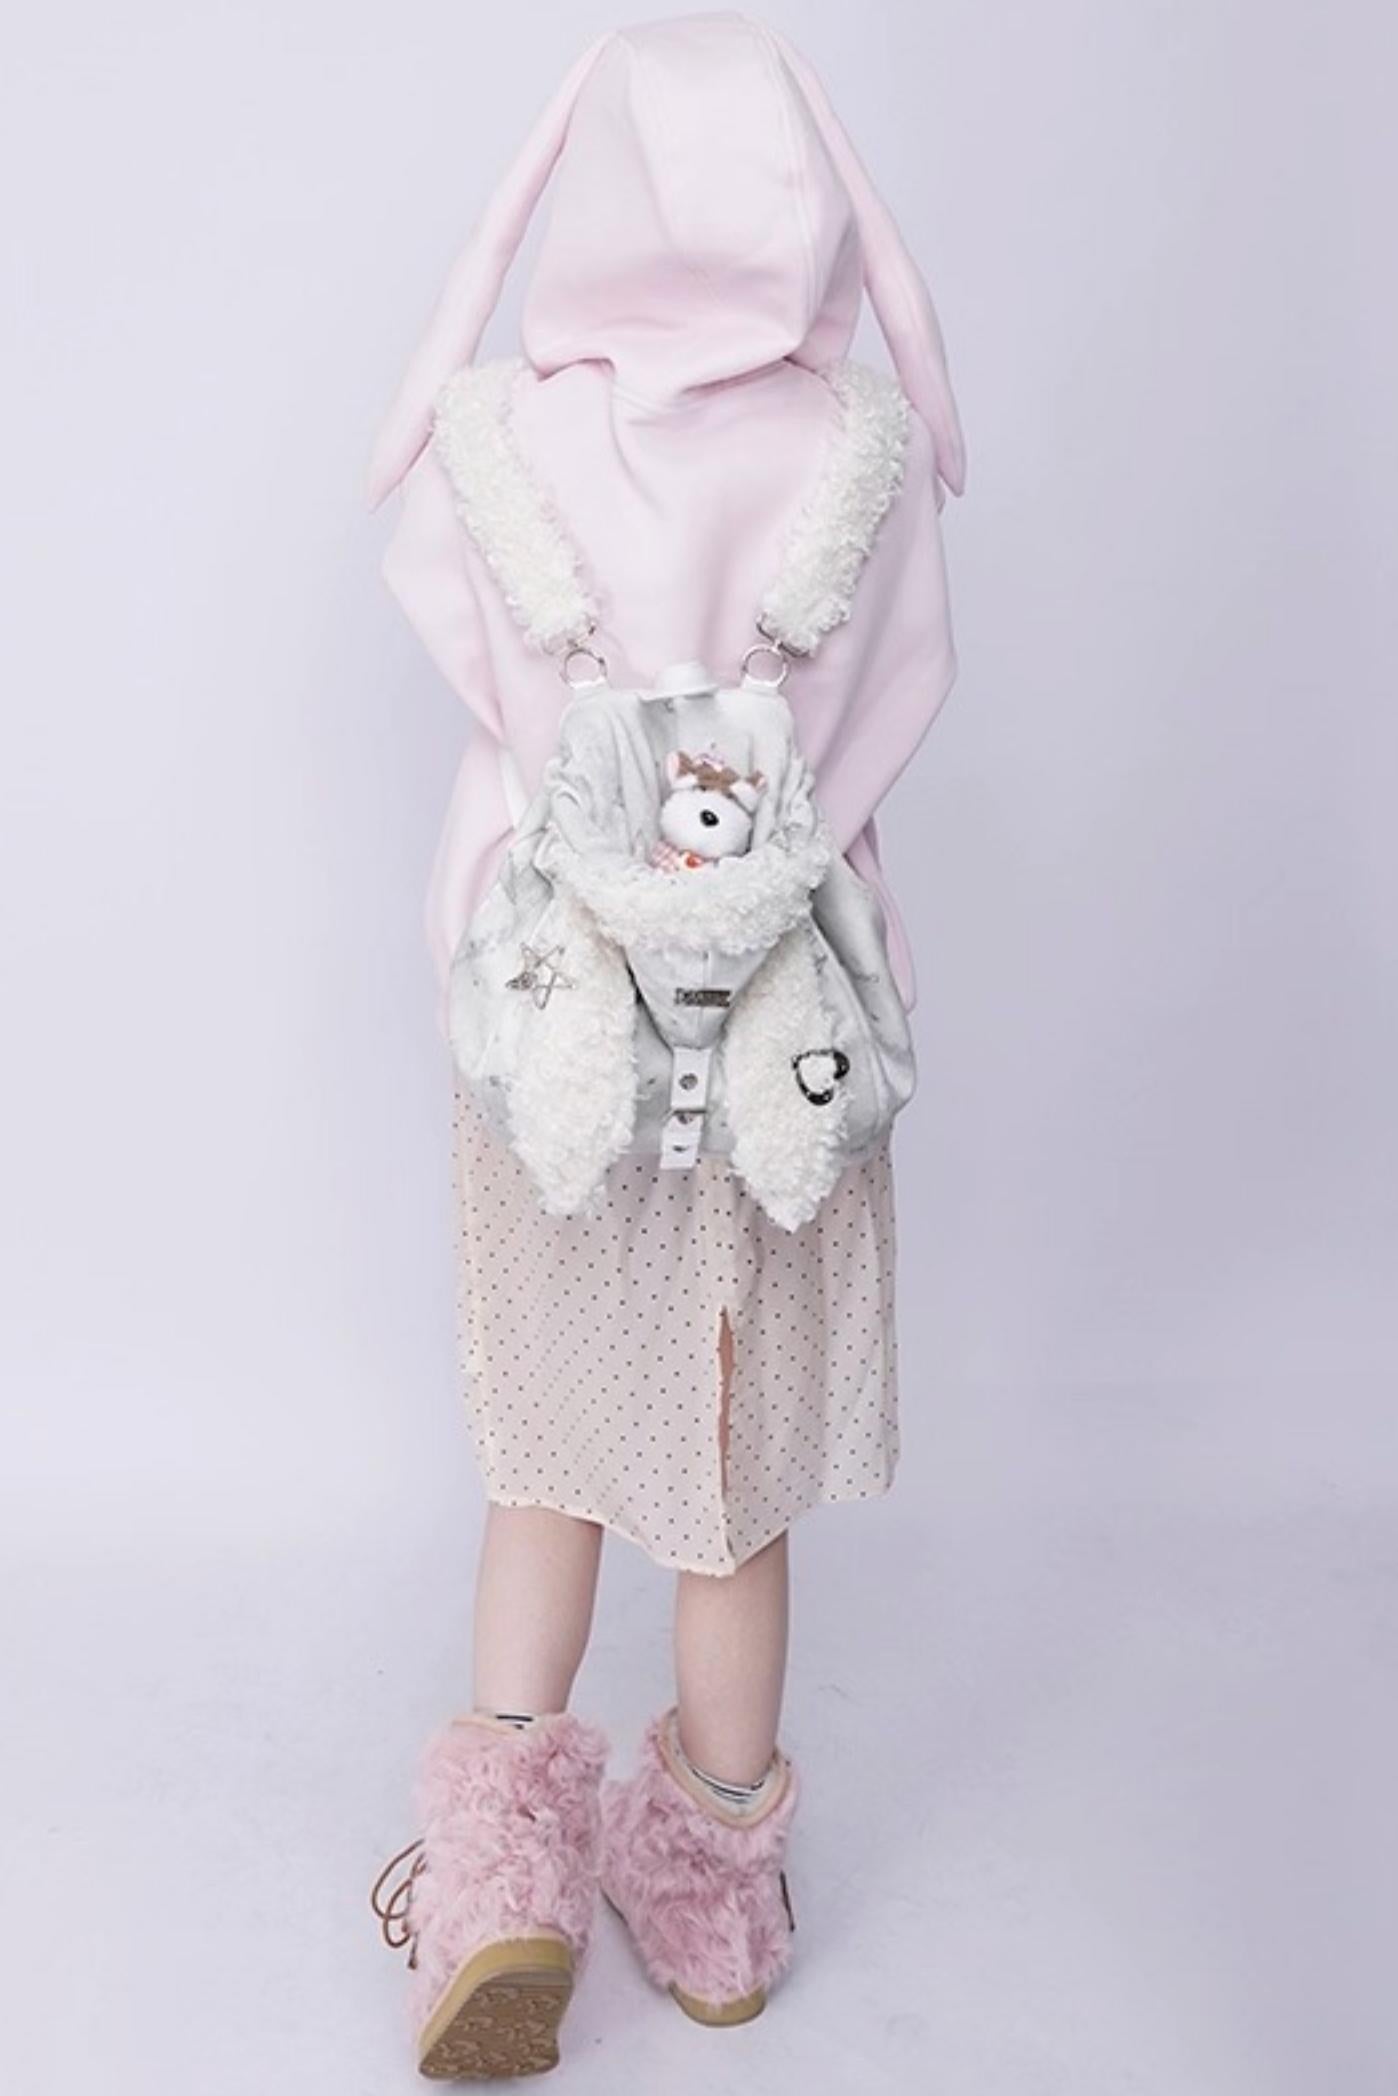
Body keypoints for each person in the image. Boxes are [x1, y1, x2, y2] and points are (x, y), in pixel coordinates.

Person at [366, 13, 963, 2078]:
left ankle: (499, 1876)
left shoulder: (509, 445)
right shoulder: (856, 455)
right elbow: (890, 717)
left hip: (562, 1054)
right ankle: (711, 1887)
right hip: (778, 1053)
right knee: (726, 1483)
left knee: (547, 1450)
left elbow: (489, 718)